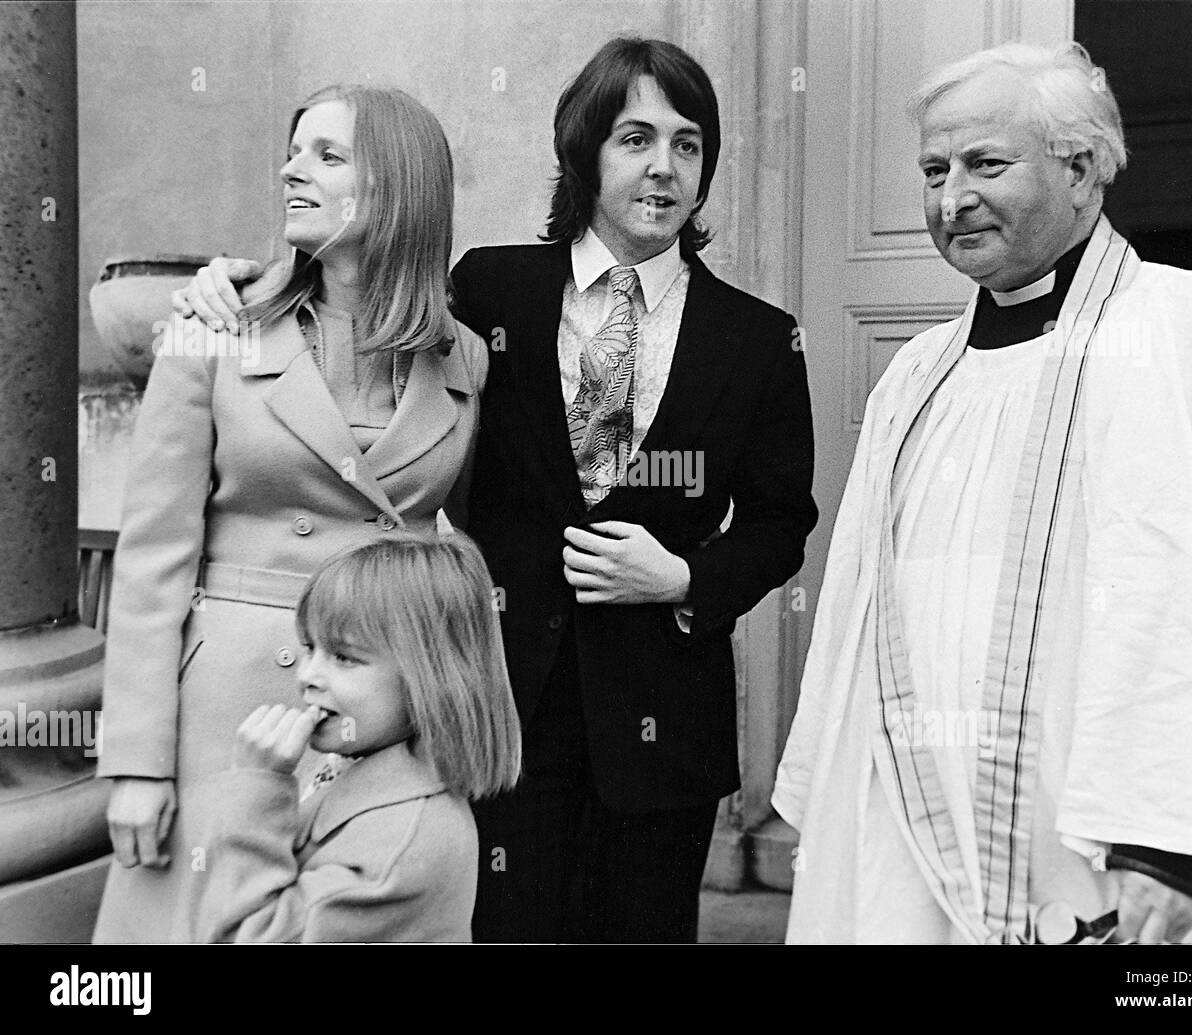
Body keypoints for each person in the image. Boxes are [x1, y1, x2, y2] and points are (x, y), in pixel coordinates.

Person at [180, 37, 817, 943]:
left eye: (688, 144)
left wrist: (682, 578)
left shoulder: (758, 338)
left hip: (661, 724)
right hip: (498, 709)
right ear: (585, 151)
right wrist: (242, 284)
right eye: (636, 138)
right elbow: (364, 323)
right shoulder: (490, 287)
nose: (664, 166)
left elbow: (781, 520)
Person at [774, 41, 1192, 945]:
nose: (951, 199)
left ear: (1083, 168)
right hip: (916, 825)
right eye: (934, 170)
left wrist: (1175, 836)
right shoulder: (915, 374)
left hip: (1106, 839)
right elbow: (858, 611)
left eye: (985, 163)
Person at [94, 85, 488, 943]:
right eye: (293, 148)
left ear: (397, 187)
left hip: (381, 721)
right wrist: (135, 762)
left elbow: (456, 566)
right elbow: (153, 556)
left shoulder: (466, 356)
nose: (289, 169)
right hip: (230, 715)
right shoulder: (213, 327)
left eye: (326, 155)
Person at [192, 533, 521, 942]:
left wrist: (255, 789)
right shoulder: (350, 761)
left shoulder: (398, 846)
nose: (307, 675)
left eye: (344, 657)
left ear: (430, 679)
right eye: (310, 648)